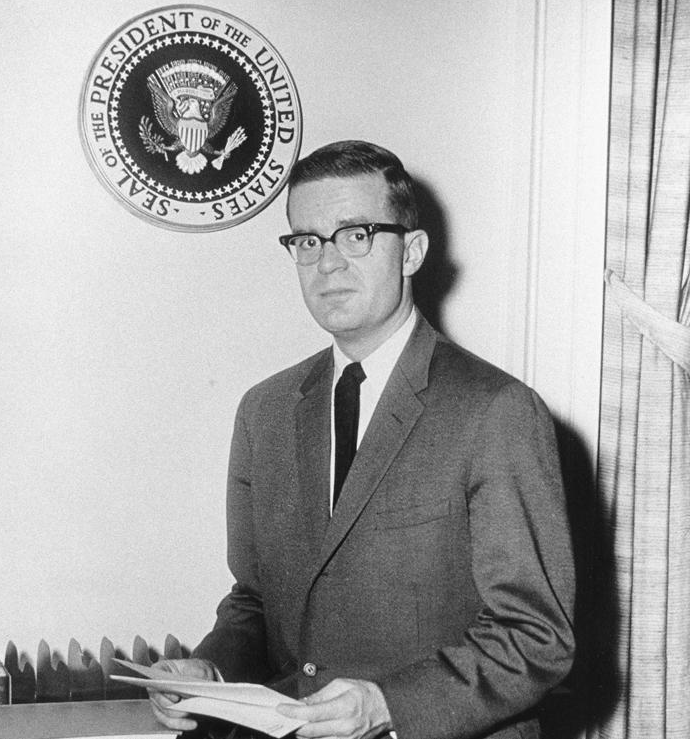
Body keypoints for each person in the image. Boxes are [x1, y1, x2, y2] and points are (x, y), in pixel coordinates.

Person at [149, 140, 575, 739]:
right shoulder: (263, 411)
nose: (328, 264)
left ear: (412, 252)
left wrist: (387, 705)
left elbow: (537, 636)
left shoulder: (495, 411)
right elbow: (256, 599)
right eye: (307, 241)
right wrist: (211, 669)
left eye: (357, 235)